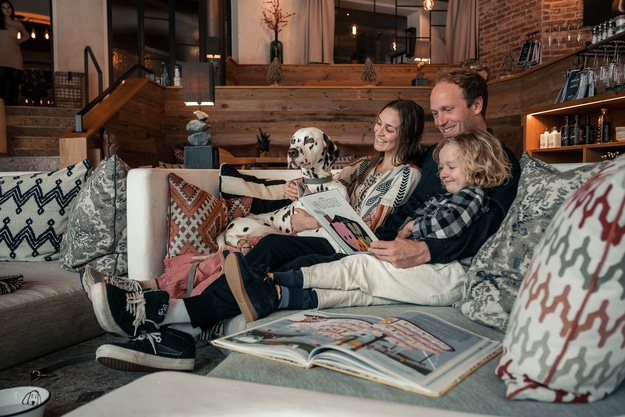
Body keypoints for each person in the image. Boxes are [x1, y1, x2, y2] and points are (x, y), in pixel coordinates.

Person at [91, 69, 521, 372]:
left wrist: (425, 248)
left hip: (423, 259)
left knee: (284, 265)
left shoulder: (496, 160)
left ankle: (163, 318)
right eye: (437, 113)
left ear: (477, 104)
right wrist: (364, 229)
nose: (441, 122)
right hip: (375, 241)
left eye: (448, 111)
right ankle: (173, 324)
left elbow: (486, 226)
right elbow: (410, 211)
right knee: (271, 245)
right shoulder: (435, 157)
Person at [84, 99, 424, 299]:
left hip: (343, 244)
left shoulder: (407, 174)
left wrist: (315, 217)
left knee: (266, 248)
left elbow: (367, 228)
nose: (379, 132)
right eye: (378, 123)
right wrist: (300, 192)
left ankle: (161, 290)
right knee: (245, 250)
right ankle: (156, 286)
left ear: (406, 134)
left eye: (389, 129)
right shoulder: (364, 165)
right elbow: (328, 186)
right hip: (321, 230)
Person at [223, 129, 513, 322]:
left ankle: (269, 281)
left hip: (450, 275)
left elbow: (447, 226)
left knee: (360, 269)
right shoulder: (443, 194)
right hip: (436, 269)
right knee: (357, 291)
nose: (443, 174)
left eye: (451, 167)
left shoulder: (472, 193)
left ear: (477, 167)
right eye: (441, 168)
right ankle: (272, 296)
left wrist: (412, 228)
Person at [0, 0, 28, 105]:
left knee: (14, 82)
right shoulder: (0, 23)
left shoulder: (17, 24)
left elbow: (27, 35)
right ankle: (1, 106)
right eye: (4, 7)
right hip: (1, 56)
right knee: (1, 81)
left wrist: (18, 41)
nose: (7, 9)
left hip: (15, 56)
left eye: (9, 7)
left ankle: (14, 103)